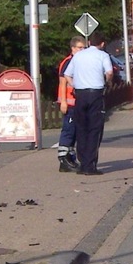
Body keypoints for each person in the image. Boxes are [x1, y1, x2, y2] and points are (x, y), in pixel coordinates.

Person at [63, 30, 114, 176]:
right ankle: (90, 165)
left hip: (80, 95)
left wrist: (74, 85)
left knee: (81, 128)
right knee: (94, 129)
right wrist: (107, 82)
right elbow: (109, 73)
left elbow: (67, 74)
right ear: (102, 44)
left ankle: (82, 163)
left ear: (89, 42)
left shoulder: (78, 56)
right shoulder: (103, 55)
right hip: (95, 95)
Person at [57, 35, 86, 171]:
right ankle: (63, 159)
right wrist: (63, 101)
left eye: (84, 47)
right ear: (73, 48)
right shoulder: (68, 62)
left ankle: (70, 157)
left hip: (76, 101)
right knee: (68, 130)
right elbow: (62, 83)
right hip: (69, 102)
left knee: (75, 131)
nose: (83, 50)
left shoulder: (78, 61)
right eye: (80, 48)